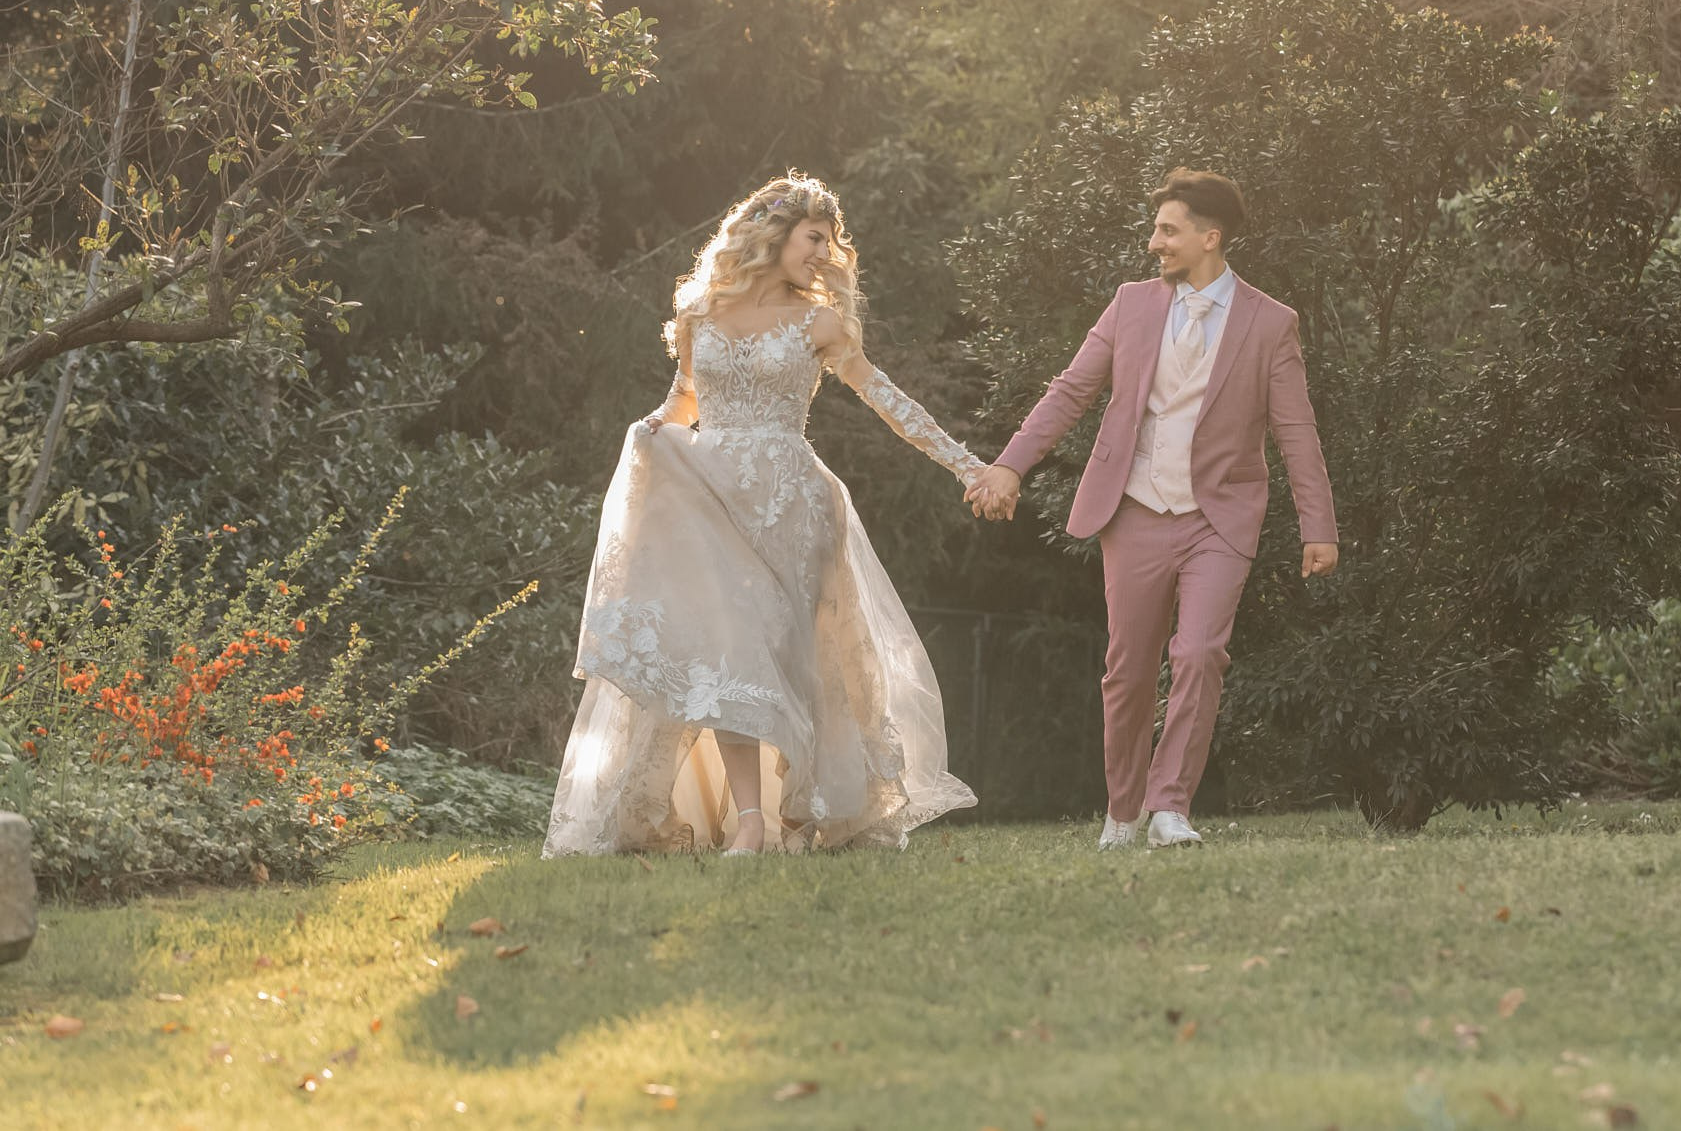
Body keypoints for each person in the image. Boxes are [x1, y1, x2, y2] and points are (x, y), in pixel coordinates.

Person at [543, 173, 980, 858]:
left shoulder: (820, 321)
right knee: (728, 651)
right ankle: (751, 820)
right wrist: (652, 429)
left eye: (830, 241)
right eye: (815, 238)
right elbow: (681, 403)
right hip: (709, 503)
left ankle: (807, 807)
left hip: (790, 504)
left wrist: (967, 465)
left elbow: (887, 399)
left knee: (783, 653)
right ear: (774, 235)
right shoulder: (700, 314)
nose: (824, 253)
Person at [967, 168, 1338, 850]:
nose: (1154, 242)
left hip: (1217, 518)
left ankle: (1171, 806)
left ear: (1209, 236)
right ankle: (1123, 810)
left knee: (1199, 653)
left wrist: (1319, 527)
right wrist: (1010, 464)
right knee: (1128, 669)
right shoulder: (1132, 305)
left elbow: (1296, 430)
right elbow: (1071, 390)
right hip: (1134, 508)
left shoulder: (1271, 323)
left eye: (1168, 229)